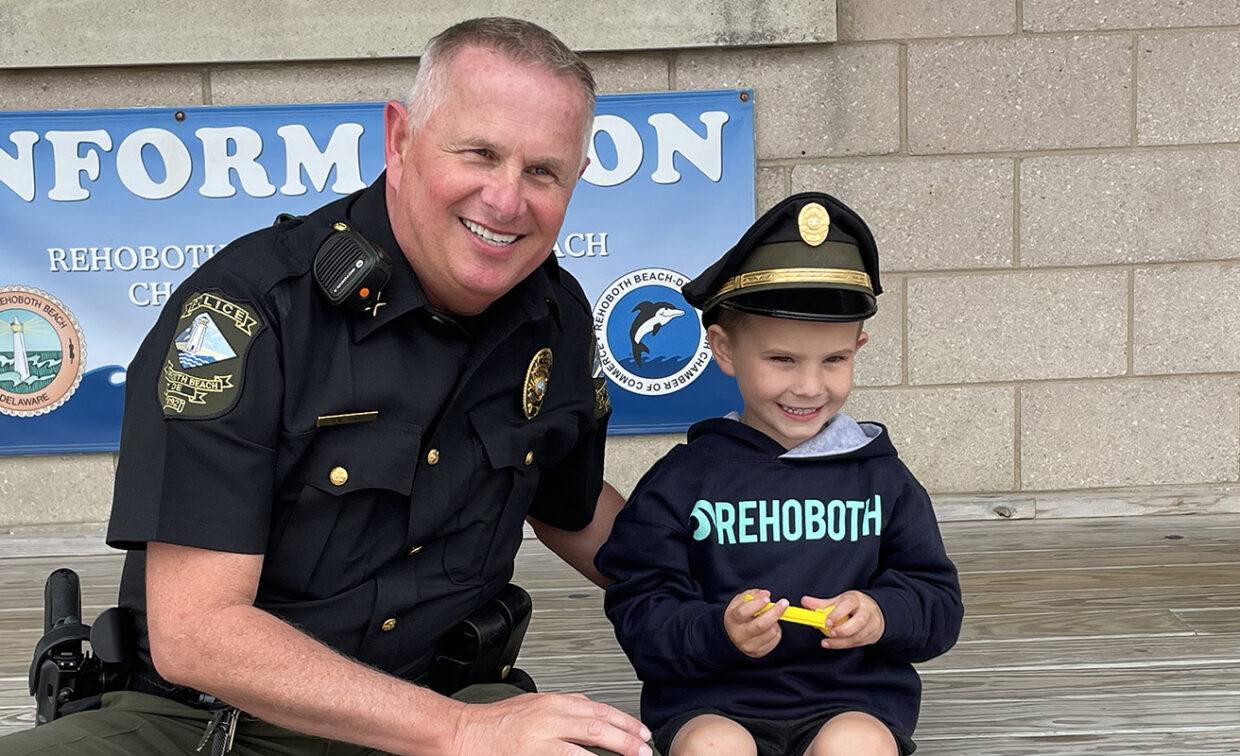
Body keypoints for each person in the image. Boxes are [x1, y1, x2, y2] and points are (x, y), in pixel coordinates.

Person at [4, 17, 655, 756]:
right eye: (480, 153)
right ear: (401, 140)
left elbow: (573, 512)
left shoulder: (554, 318)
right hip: (210, 723)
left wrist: (738, 582)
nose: (507, 200)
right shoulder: (247, 314)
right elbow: (198, 634)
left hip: (442, 700)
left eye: (543, 171)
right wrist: (462, 731)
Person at [595, 192, 964, 756]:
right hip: (712, 701)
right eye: (782, 360)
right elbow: (641, 609)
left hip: (851, 701)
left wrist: (882, 615)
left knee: (858, 746)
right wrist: (719, 631)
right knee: (714, 748)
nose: (810, 386)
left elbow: (937, 602)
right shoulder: (681, 482)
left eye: (834, 360)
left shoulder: (882, 480)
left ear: (858, 348)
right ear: (723, 350)